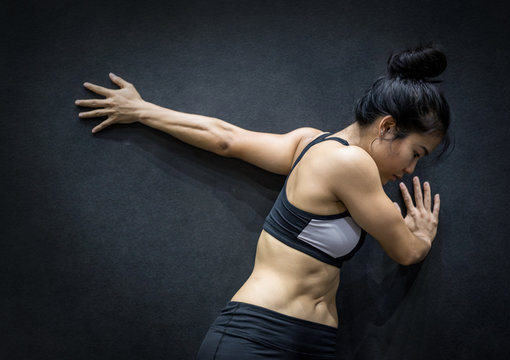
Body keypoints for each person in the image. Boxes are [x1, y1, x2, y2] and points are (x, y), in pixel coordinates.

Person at [75, 43, 450, 359]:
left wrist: (143, 110)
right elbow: (405, 252)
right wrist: (422, 235)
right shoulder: (350, 162)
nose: (412, 168)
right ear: (386, 127)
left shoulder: (310, 143)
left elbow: (226, 139)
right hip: (260, 337)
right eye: (415, 152)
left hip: (311, 343)